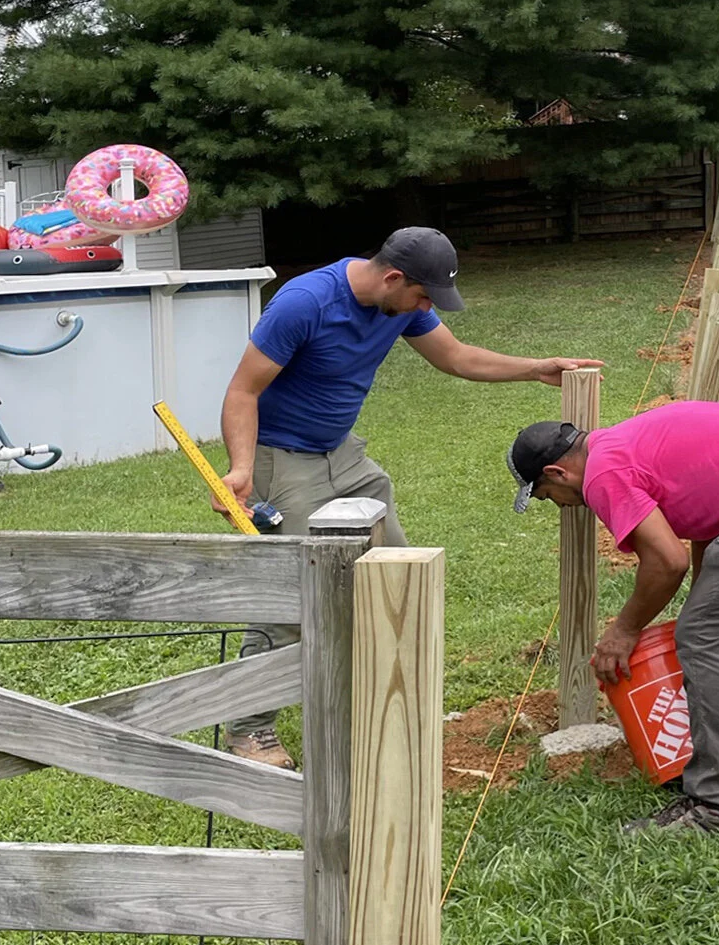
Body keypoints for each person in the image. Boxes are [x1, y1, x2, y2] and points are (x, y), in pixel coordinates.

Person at [218, 226, 599, 765]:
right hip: (281, 459)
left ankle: (386, 701)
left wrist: (536, 369)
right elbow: (243, 390)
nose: (426, 308)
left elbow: (457, 357)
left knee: (396, 569)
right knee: (295, 594)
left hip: (342, 453)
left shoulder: (400, 303)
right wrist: (240, 468)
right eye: (422, 296)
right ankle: (249, 729)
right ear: (392, 276)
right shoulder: (305, 302)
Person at [507, 401, 719, 834]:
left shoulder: (602, 476)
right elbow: (709, 522)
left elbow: (667, 562)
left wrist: (623, 631)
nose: (560, 506)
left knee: (703, 638)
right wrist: (711, 596)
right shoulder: (617, 444)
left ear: (557, 474)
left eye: (546, 497)